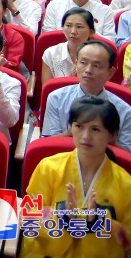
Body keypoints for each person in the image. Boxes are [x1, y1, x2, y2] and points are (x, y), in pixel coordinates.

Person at [25, 97, 131, 258]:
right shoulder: (48, 168)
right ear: (71, 129)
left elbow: (127, 240)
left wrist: (99, 222)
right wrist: (63, 218)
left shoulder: (125, 183)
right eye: (79, 126)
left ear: (112, 135)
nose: (85, 136)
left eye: (95, 129)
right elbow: (30, 218)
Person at [42, 40, 131, 151]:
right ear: (75, 64)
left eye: (96, 66)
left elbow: (127, 156)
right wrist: (70, 133)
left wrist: (108, 139)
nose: (88, 70)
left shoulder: (125, 111)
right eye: (83, 63)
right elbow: (47, 144)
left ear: (110, 73)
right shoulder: (56, 98)